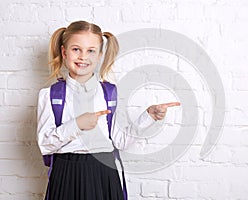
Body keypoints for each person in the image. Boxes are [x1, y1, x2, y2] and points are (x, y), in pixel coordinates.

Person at [37, 20, 180, 200]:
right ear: (64, 53)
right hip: (67, 173)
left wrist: (148, 117)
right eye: (76, 49)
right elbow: (45, 144)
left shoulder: (108, 93)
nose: (83, 56)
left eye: (91, 51)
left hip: (104, 172)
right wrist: (77, 124)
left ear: (99, 56)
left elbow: (120, 141)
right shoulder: (49, 95)